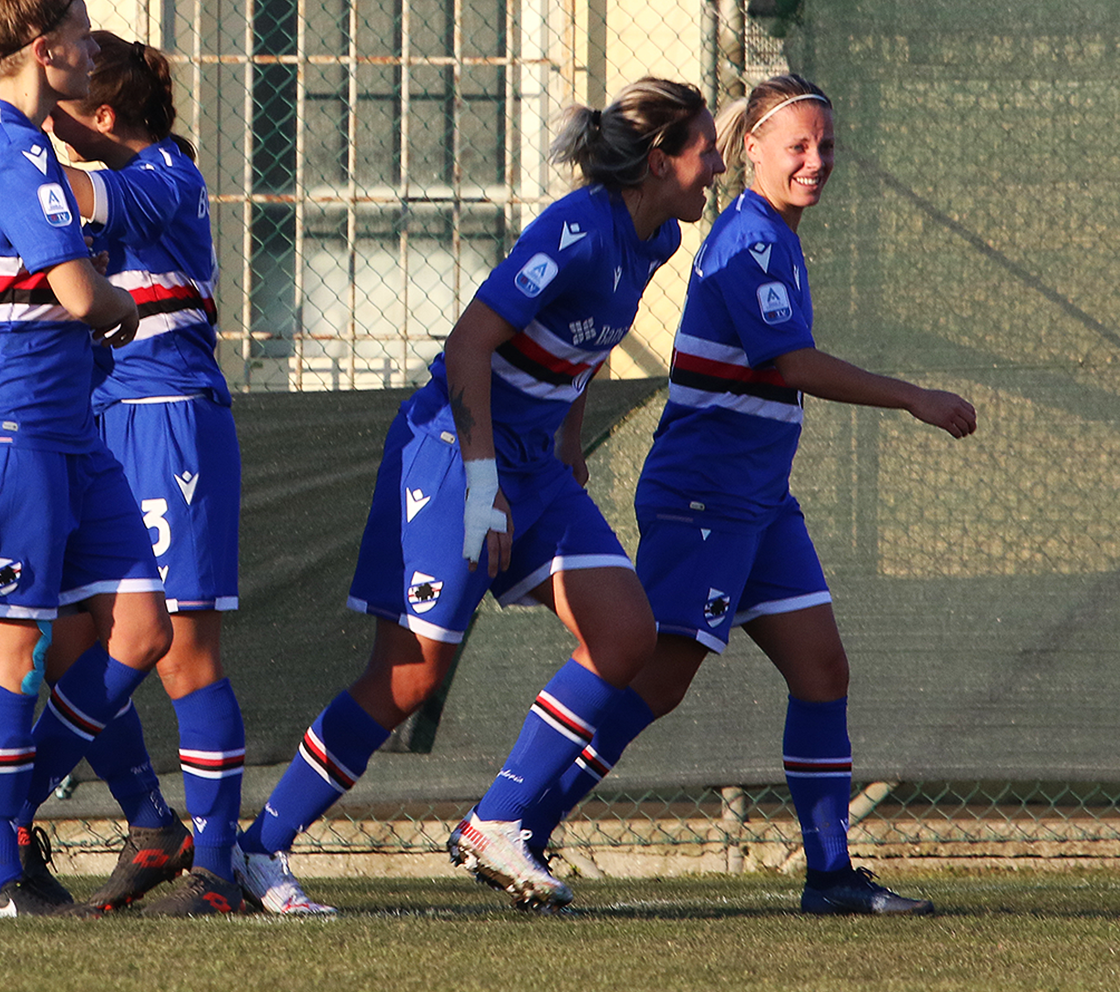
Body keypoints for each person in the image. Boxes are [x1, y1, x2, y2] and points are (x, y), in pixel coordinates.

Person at [230, 78, 725, 915]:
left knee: (626, 632)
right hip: (457, 455)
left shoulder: (654, 243)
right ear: (658, 160)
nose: (715, 166)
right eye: (705, 151)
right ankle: (259, 849)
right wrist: (486, 487)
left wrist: (567, 450)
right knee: (409, 678)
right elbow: (468, 347)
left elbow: (585, 350)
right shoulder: (573, 231)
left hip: (531, 462)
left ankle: (495, 822)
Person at [505, 74, 976, 915]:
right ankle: (518, 826)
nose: (815, 161)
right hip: (706, 496)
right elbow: (791, 363)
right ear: (749, 148)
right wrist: (914, 396)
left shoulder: (777, 237)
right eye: (797, 146)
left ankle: (830, 876)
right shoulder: (748, 241)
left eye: (825, 146)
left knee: (822, 669)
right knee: (657, 679)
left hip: (760, 498)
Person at [0, 0, 172, 917]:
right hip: (5, 426)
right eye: (79, 34)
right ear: (41, 45)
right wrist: (115, 302)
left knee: (141, 624)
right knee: (13, 652)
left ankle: (7, 807)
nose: (90, 47)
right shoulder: (12, 146)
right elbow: (78, 292)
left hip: (65, 426)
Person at [9, 30, 246, 917]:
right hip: (91, 422)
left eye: (64, 97)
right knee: (72, 641)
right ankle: (151, 824)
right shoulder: (76, 167)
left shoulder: (166, 173)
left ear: (102, 116)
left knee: (181, 653)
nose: (46, 109)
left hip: (167, 422)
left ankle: (217, 868)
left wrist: (6, 120)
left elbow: (68, 194)